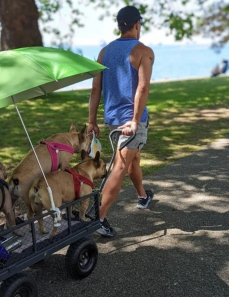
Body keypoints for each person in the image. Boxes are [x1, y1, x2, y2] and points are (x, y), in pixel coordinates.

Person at [87, 5, 155, 237]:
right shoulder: (143, 51)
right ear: (137, 25)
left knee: (132, 159)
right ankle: (99, 218)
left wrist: (92, 121)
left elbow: (95, 88)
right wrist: (135, 121)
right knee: (120, 165)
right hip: (130, 123)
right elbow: (143, 87)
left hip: (113, 119)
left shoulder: (104, 52)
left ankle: (143, 196)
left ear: (119, 25)